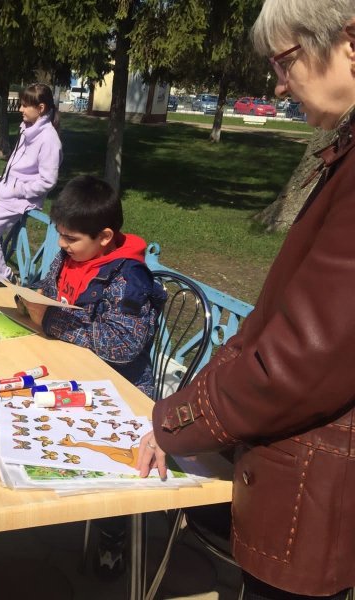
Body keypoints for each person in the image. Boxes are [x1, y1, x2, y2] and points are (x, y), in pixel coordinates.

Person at [137, 1, 355, 599]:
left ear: (350, 43)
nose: (279, 83)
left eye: (284, 61)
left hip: (315, 492)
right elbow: (276, 321)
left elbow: (296, 364)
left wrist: (175, 421)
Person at [18, 175, 165, 580]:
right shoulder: (72, 258)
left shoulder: (129, 280)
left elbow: (121, 346)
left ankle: (112, 533)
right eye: (59, 235)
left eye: (70, 238)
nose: (61, 245)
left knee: (106, 464)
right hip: (73, 370)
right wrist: (31, 299)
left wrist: (50, 321)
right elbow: (49, 291)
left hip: (122, 391)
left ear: (104, 236)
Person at [0, 82, 62, 286]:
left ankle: (3, 278)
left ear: (41, 108)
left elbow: (48, 180)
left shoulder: (48, 139)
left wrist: (18, 189)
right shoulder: (28, 129)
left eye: (25, 105)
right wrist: (5, 183)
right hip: (6, 192)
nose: (20, 109)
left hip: (20, 199)